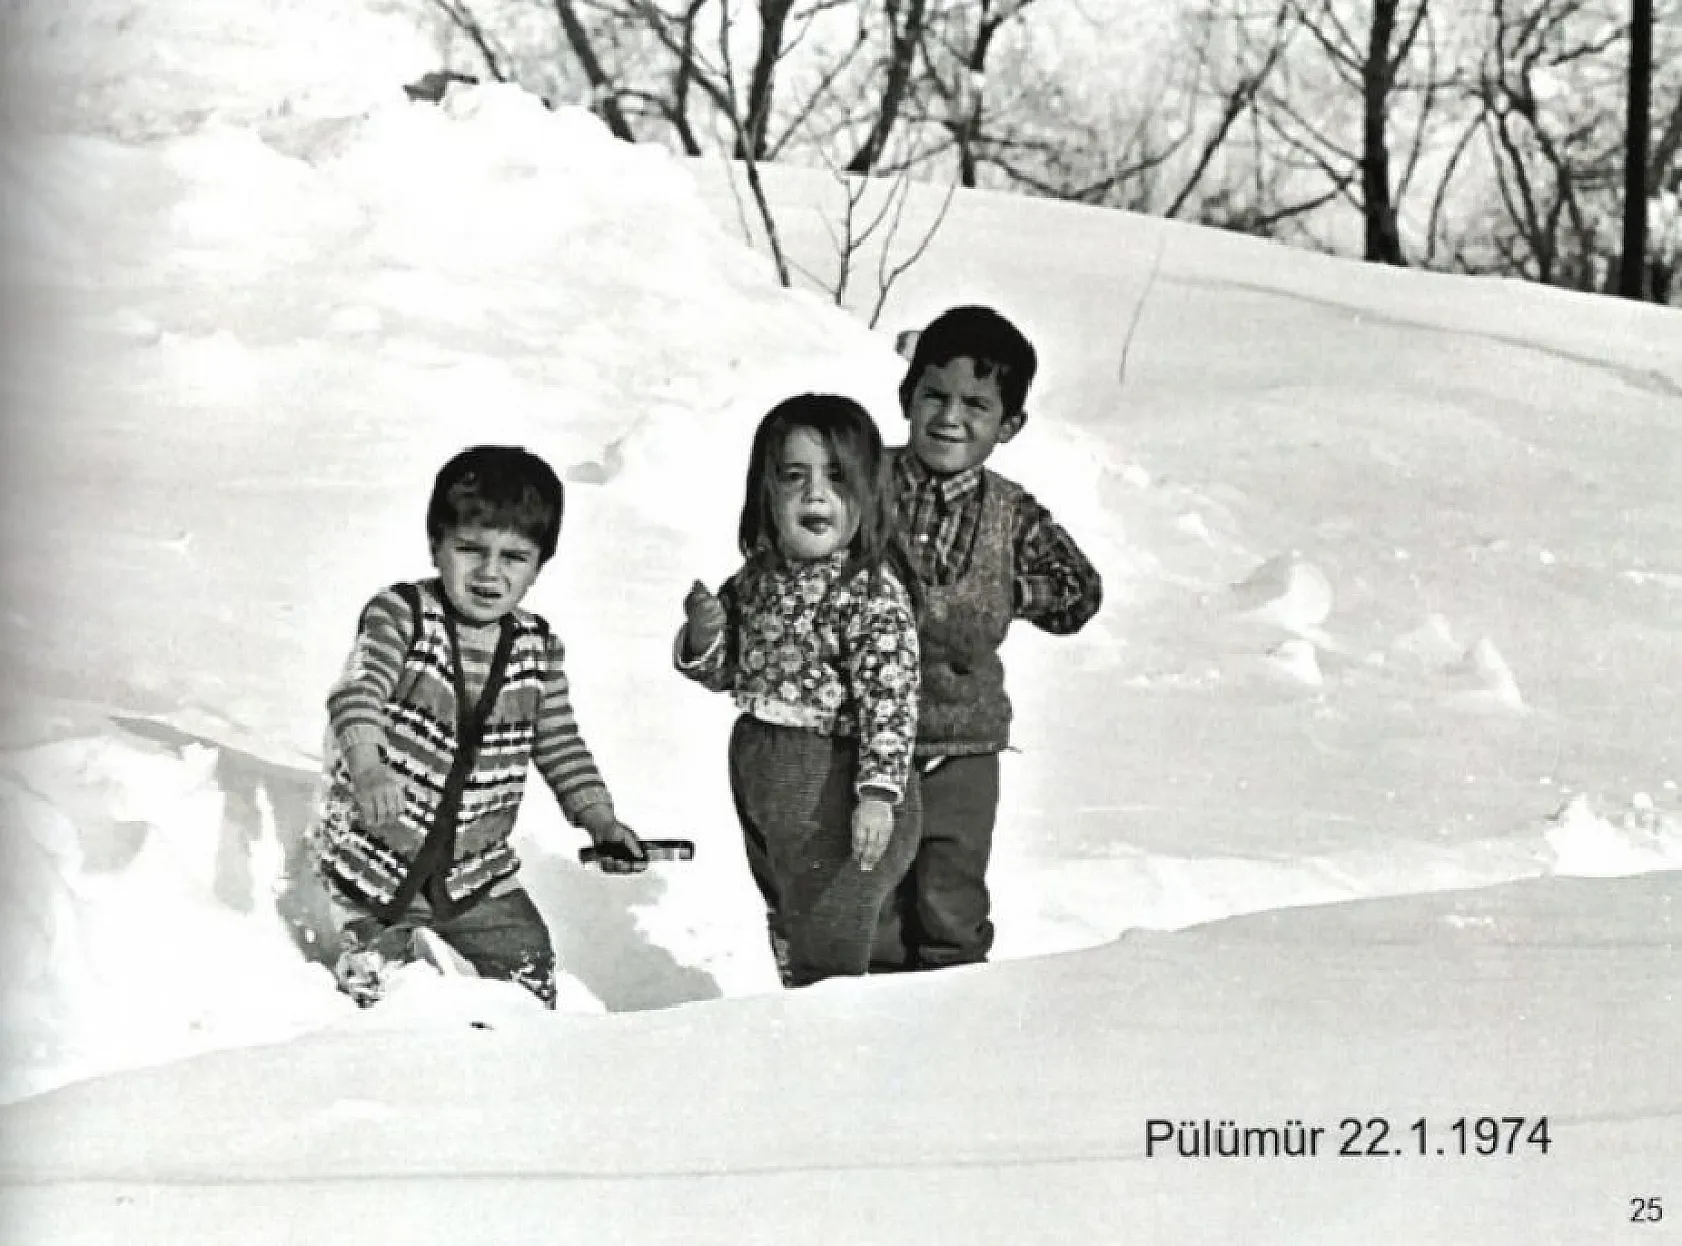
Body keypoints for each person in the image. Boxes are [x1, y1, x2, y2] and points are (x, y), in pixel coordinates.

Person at [307, 445, 647, 1009]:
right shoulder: (403, 615)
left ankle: (514, 1058)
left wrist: (600, 820)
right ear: (438, 546)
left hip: (474, 871)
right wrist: (369, 768)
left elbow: (559, 741)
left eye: (514, 556)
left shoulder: (536, 649)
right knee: (382, 990)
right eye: (470, 549)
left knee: (529, 962)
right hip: (378, 859)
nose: (490, 572)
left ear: (539, 565)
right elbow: (356, 692)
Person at [871, 305, 1103, 973]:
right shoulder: (864, 483)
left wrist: (1008, 593)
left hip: (962, 746)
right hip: (860, 743)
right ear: (906, 397)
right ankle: (865, 1043)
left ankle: (957, 1038)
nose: (950, 418)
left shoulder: (1010, 511)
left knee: (950, 903)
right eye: (934, 396)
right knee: (870, 903)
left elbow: (1080, 590)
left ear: (1009, 425)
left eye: (975, 405)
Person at [677, 394, 922, 987]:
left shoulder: (869, 592)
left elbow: (891, 702)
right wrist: (705, 636)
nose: (816, 494)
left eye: (838, 478)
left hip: (834, 780)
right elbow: (727, 672)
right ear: (766, 493)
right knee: (788, 903)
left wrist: (876, 795)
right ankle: (799, 998)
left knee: (830, 917)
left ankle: (832, 1024)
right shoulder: (757, 579)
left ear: (868, 495)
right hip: (764, 768)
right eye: (794, 476)